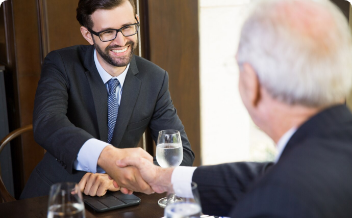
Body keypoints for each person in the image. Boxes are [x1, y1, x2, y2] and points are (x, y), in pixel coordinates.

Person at [116, 0, 352, 217]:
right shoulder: (331, 146)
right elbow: (261, 177)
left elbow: (276, 187)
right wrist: (162, 177)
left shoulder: (275, 202)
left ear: (252, 82)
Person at [20, 0, 194, 199]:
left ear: (136, 21)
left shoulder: (155, 78)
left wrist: (118, 178)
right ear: (88, 35)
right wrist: (107, 157)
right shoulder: (61, 64)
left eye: (127, 27)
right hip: (57, 195)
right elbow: (47, 123)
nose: (120, 41)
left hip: (120, 198)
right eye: (107, 32)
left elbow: (183, 155)